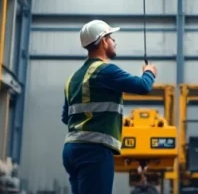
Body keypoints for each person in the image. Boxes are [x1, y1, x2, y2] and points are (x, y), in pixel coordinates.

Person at [62, 20, 158, 194]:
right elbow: (143, 86)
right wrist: (149, 72)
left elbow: (65, 117)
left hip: (71, 150)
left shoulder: (73, 78)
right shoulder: (105, 71)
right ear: (104, 41)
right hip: (94, 151)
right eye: (111, 37)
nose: (114, 42)